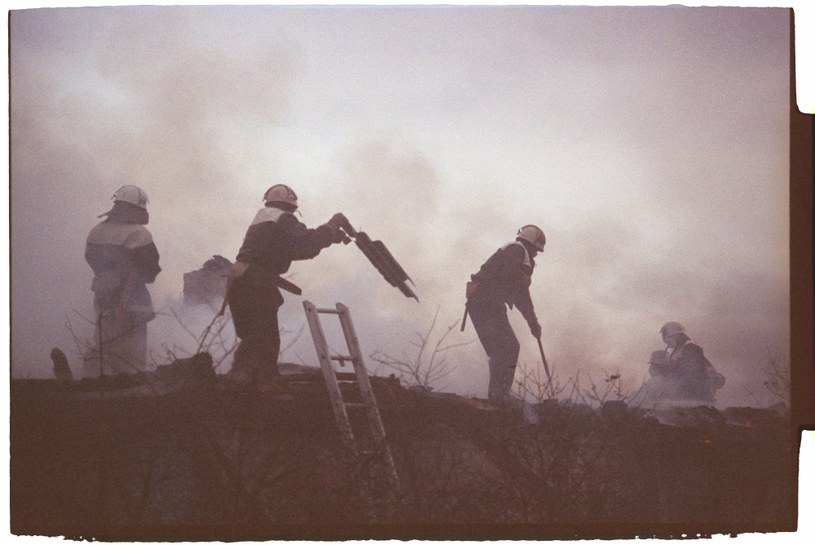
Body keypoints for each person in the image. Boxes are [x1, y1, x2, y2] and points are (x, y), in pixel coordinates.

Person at [225, 183, 348, 383]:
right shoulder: (282, 218)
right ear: (290, 207)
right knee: (265, 338)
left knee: (253, 337)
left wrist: (328, 239)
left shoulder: (265, 219)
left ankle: (243, 379)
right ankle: (260, 381)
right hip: (256, 283)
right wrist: (330, 227)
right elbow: (306, 243)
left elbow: (292, 249)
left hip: (240, 283)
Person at [83, 185, 161, 377]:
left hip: (104, 302)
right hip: (133, 304)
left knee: (105, 353)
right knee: (132, 363)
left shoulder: (95, 232)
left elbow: (92, 261)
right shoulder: (139, 234)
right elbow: (150, 271)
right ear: (137, 209)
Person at [465, 225, 546, 406]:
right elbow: (519, 291)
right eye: (536, 250)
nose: (536, 255)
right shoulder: (516, 250)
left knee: (500, 350)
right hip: (487, 303)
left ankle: (497, 395)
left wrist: (532, 322)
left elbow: (519, 294)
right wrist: (532, 321)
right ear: (530, 245)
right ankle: (499, 395)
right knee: (509, 347)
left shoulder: (515, 252)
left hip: (482, 303)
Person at [647, 321, 725, 403]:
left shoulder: (691, 348)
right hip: (687, 389)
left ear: (678, 336)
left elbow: (691, 373)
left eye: (669, 341)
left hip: (696, 392)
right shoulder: (678, 351)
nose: (668, 345)